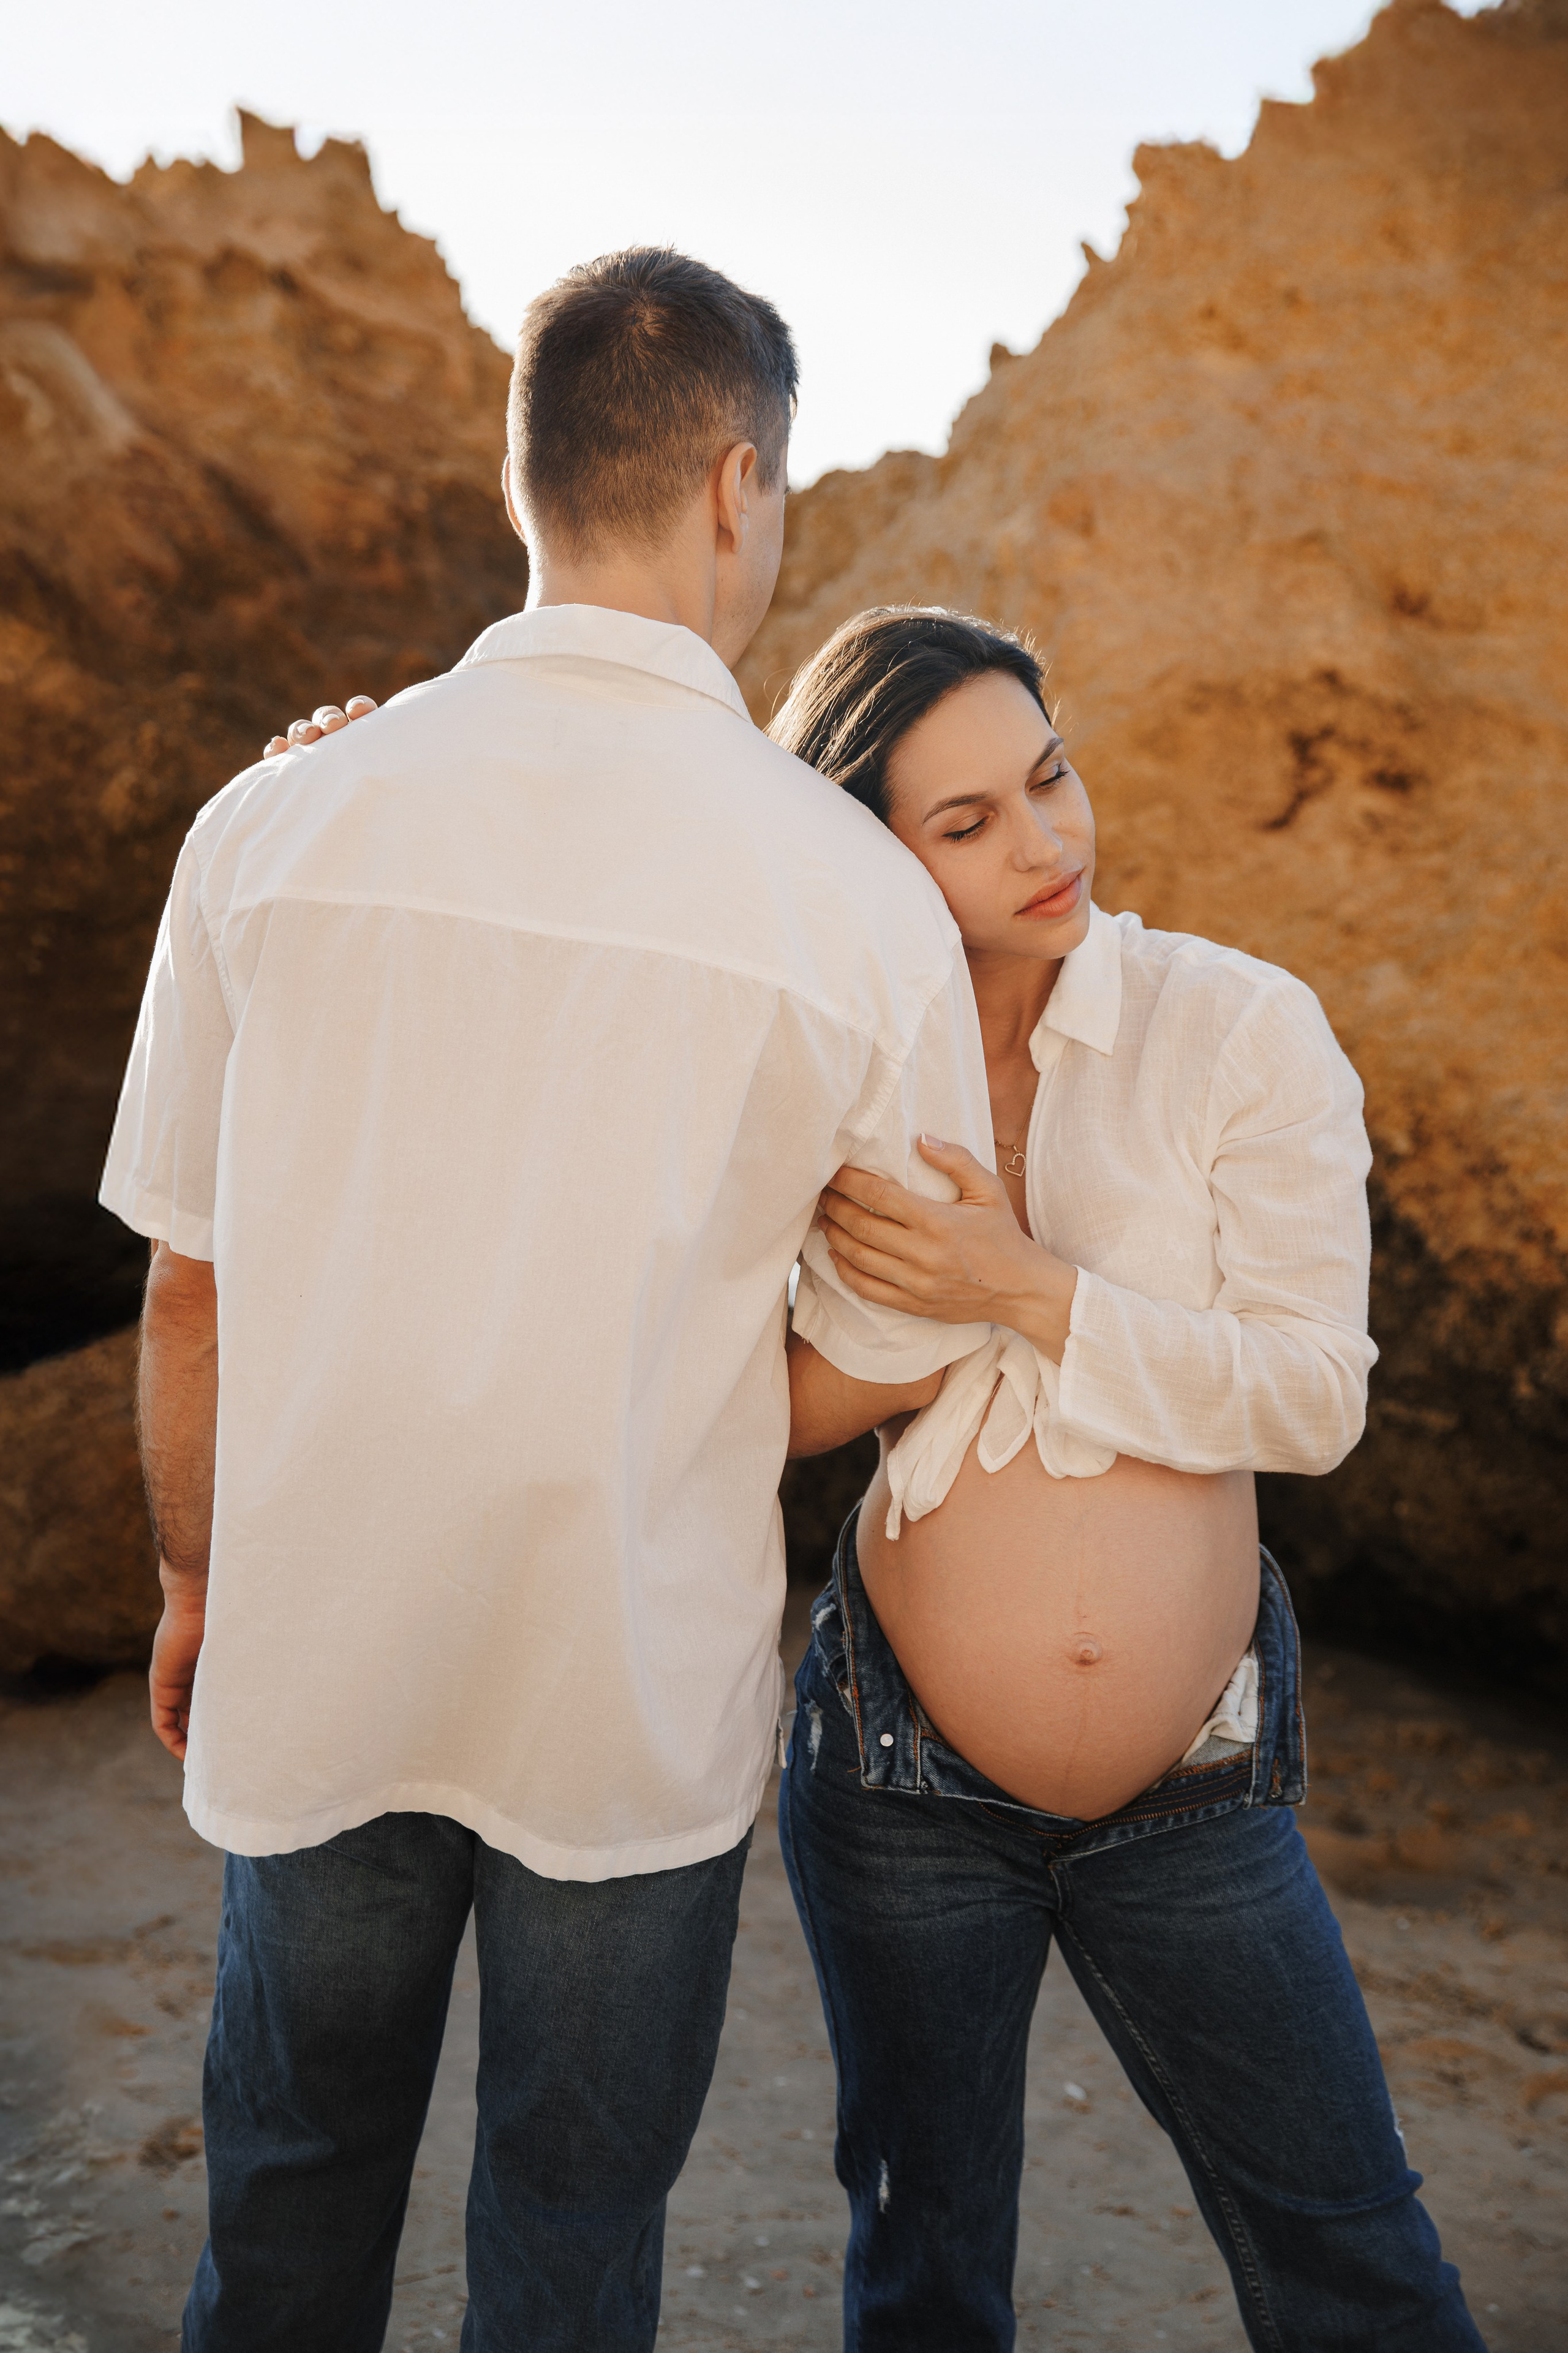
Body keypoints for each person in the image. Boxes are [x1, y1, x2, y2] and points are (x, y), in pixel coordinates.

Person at [100, 254, 998, 2351]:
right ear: (735, 482)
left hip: (318, 1667)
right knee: (577, 2244)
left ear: (524, 480)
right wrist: (674, 1418)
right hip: (626, 1694)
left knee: (288, 2221)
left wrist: (191, 1582)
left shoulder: (274, 820)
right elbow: (911, 1312)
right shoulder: (851, 893)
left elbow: (189, 1283)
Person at [770, 608, 1486, 2351]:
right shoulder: (829, 1066)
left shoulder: (1237, 1028)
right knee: (922, 2262)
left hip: (1197, 1787)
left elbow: (1314, 1395)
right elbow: (772, 1411)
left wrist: (1019, 1282)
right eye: (970, 823)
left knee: (1353, 2253)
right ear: (869, 858)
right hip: (897, 1773)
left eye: (1050, 772)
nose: (1048, 840)